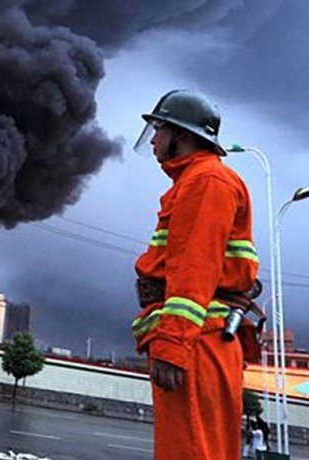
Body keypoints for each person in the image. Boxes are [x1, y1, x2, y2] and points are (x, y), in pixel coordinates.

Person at [131, 90, 259, 460]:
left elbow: (194, 267)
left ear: (183, 135)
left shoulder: (206, 181)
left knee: (189, 452)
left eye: (159, 129)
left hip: (196, 341)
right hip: (200, 338)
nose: (153, 139)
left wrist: (173, 343)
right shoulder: (196, 181)